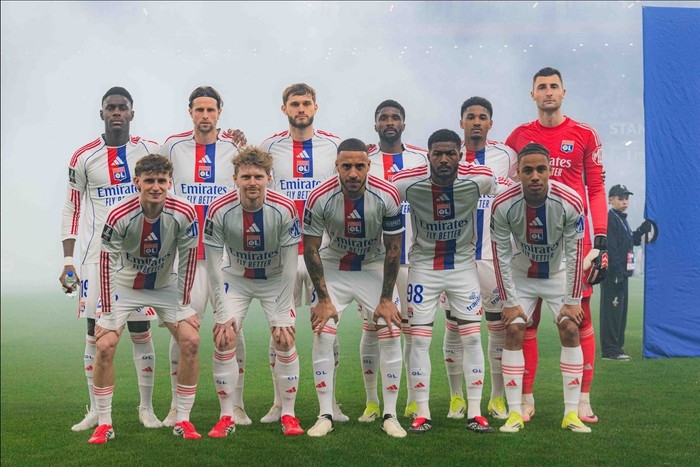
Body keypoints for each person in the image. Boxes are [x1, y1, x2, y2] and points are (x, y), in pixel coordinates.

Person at [506, 67, 607, 423]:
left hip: (574, 242)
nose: (548, 92)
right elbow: (509, 187)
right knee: (525, 322)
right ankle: (526, 398)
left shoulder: (584, 134)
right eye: (542, 87)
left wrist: (601, 240)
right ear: (532, 94)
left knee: (579, 318)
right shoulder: (518, 136)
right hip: (529, 244)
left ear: (564, 92)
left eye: (553, 86)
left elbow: (596, 188)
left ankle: (583, 400)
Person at [60, 87, 162, 432]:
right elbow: (72, 208)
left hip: (140, 258)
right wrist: (68, 260)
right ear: (102, 113)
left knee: (140, 330)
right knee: (95, 332)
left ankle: (146, 408)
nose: (117, 112)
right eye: (111, 107)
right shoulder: (83, 157)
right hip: (96, 258)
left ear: (132, 113)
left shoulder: (149, 150)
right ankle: (95, 410)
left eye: (122, 107)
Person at [88, 154, 202, 444]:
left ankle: (183, 419)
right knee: (105, 344)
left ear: (170, 182)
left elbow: (188, 260)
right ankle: (104, 423)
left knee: (191, 340)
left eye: (161, 181)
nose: (156, 187)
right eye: (149, 181)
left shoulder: (185, 212)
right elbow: (106, 263)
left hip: (164, 285)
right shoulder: (118, 214)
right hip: (125, 286)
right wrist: (108, 313)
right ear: (137, 182)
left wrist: (184, 305)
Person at [392, 129, 497, 434]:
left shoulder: (479, 179)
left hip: (463, 269)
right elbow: (383, 195)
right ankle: (422, 412)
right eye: (437, 153)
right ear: (428, 156)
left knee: (472, 338)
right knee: (419, 340)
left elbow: (498, 190)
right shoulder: (406, 183)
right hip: (423, 269)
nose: (444, 159)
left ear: (460, 156)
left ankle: (475, 411)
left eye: (450, 153)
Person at [302, 138, 406, 438]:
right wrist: (323, 299)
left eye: (359, 166)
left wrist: (386, 299)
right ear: (336, 166)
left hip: (372, 266)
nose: (353, 173)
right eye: (346, 166)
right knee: (323, 331)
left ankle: (390, 415)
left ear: (369, 166)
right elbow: (310, 249)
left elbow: (393, 248)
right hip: (334, 266)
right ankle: (325, 414)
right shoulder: (319, 196)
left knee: (391, 329)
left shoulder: (387, 194)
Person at [159, 86, 250, 426]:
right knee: (183, 331)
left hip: (227, 258)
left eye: (211, 110)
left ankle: (236, 405)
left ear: (219, 113)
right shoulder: (172, 147)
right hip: (186, 259)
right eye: (199, 110)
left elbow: (252, 185)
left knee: (233, 330)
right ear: (190, 113)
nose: (205, 116)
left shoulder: (234, 147)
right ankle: (175, 406)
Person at [260, 83, 348, 423]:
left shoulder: (334, 146)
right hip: (281, 253)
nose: (301, 108)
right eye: (294, 103)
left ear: (315, 107)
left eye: (306, 103)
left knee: (326, 328)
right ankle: (278, 403)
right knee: (280, 328)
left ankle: (332, 404)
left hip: (323, 253)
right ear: (284, 109)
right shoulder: (270, 147)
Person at [491, 142, 591, 434]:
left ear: (549, 171)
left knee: (570, 328)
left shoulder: (570, 201)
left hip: (557, 275)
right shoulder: (503, 204)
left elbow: (575, 253)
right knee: (513, 329)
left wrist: (573, 299)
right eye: (528, 170)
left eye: (540, 169)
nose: (534, 176)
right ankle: (514, 413)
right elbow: (500, 255)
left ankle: (571, 414)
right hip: (521, 275)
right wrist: (509, 302)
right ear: (518, 173)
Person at [203, 146, 304, 437]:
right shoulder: (218, 209)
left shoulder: (284, 208)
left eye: (258, 177)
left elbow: (290, 265)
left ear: (269, 178)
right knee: (224, 337)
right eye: (246, 177)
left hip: (275, 279)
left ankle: (288, 414)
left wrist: (282, 313)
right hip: (235, 278)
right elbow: (213, 266)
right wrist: (221, 312)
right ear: (235, 179)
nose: (252, 183)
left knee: (284, 338)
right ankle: (227, 415)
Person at [440, 97, 518, 421]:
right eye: (470, 116)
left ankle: (497, 398)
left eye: (482, 117)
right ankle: (456, 397)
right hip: (455, 258)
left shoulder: (506, 156)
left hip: (492, 258)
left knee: (497, 327)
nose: (476, 122)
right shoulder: (447, 157)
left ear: (490, 123)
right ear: (461, 122)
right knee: (455, 326)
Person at [361, 99, 427, 422]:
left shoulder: (421, 159)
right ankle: (372, 402)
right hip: (375, 260)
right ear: (375, 125)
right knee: (374, 329)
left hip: (414, 258)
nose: (389, 122)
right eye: (383, 117)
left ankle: (414, 401)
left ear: (403, 124)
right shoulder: (365, 160)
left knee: (413, 332)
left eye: (395, 117)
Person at [600, 184, 652, 361]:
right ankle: (610, 350)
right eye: (620, 198)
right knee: (612, 312)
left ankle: (617, 347)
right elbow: (611, 248)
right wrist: (617, 272)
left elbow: (629, 242)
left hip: (623, 274)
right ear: (610, 200)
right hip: (614, 274)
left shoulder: (621, 219)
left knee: (620, 313)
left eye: (626, 198)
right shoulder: (611, 219)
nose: (625, 202)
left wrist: (641, 231)